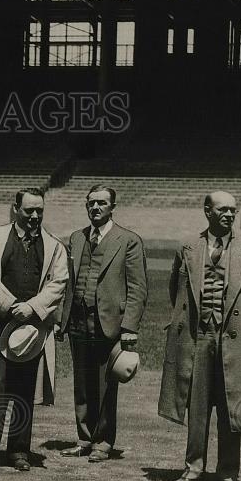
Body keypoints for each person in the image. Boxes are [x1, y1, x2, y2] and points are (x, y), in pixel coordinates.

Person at [159, 190, 241, 481]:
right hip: (198, 337)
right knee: (196, 405)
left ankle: (227, 473)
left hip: (234, 337)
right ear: (207, 211)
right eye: (223, 210)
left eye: (233, 210)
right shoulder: (187, 247)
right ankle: (193, 467)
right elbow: (176, 292)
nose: (230, 215)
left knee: (230, 405)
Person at [0, 187, 69, 472]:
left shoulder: (54, 246)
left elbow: (58, 283)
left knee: (25, 392)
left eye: (40, 211)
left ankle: (19, 451)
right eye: (29, 210)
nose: (35, 216)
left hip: (33, 330)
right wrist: (11, 305)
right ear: (15, 209)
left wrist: (32, 308)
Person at [60, 185, 148, 463]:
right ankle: (85, 438)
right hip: (78, 321)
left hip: (109, 322)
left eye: (102, 203)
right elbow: (67, 284)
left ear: (112, 207)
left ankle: (103, 441)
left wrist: (130, 328)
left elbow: (138, 288)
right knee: (82, 383)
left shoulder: (129, 240)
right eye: (91, 203)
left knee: (106, 383)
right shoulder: (75, 238)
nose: (95, 208)